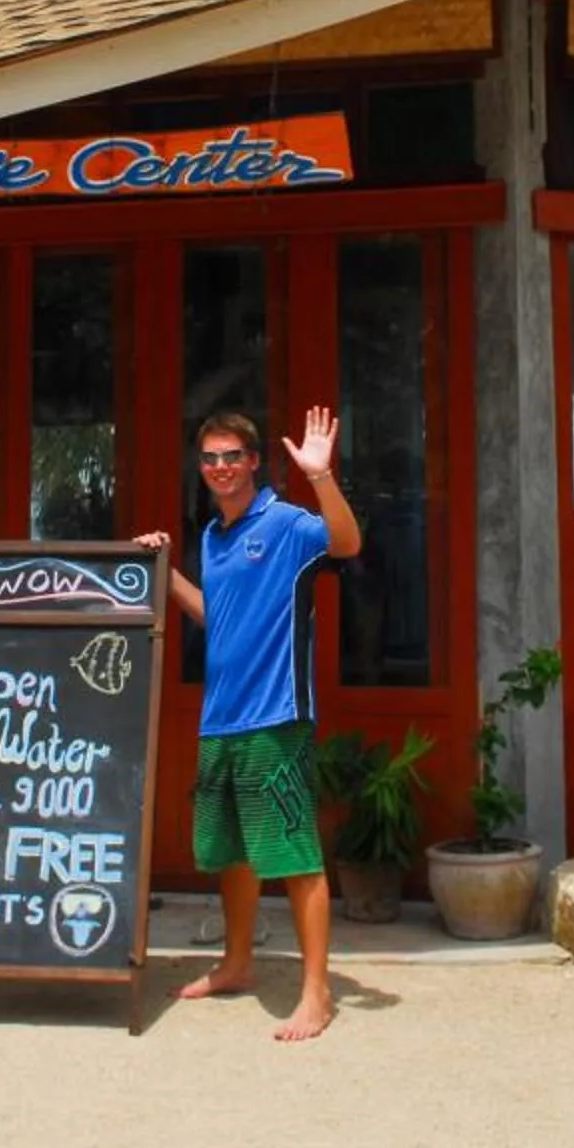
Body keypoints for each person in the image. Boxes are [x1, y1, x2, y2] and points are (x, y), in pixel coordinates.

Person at [137, 406, 362, 1044]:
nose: (221, 468)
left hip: (276, 716)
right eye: (210, 458)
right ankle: (237, 962)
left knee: (293, 853)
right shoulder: (214, 536)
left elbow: (346, 544)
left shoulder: (286, 523)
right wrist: (168, 572)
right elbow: (218, 617)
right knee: (230, 851)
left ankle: (316, 994)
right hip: (221, 719)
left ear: (254, 461)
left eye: (232, 455)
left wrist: (319, 478)